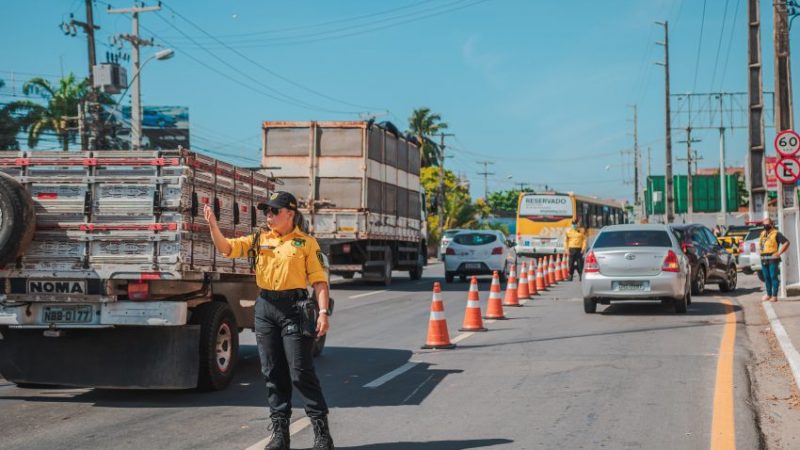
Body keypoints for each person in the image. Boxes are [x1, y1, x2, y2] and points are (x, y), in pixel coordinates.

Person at [205, 191, 334, 450]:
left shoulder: (306, 243)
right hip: (266, 307)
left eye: (274, 211)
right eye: (267, 211)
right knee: (272, 373)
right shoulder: (258, 239)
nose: (269, 216)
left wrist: (322, 313)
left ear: (290, 213)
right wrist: (213, 226)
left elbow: (319, 282)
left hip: (294, 308)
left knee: (300, 372)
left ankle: (322, 434)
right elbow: (227, 248)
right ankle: (280, 435)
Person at [759, 217, 790, 303]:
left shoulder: (776, 233)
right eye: (764, 225)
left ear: (772, 225)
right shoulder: (762, 233)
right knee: (766, 277)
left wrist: (779, 253)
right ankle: (768, 294)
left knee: (773, 276)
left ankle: (774, 296)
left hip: (772, 258)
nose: (765, 226)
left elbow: (786, 242)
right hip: (763, 258)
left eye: (767, 224)